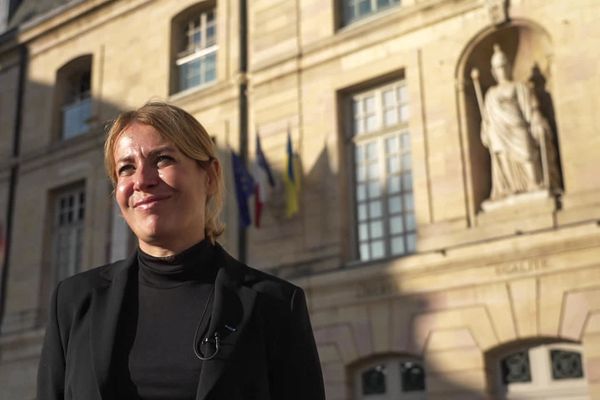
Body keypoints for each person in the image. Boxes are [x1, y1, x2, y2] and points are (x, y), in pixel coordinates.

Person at [36, 101, 325, 400]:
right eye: (126, 168)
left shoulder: (274, 304)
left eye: (162, 160)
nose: (142, 180)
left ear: (210, 176)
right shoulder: (74, 302)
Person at [480, 44, 556, 201]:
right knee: (503, 156)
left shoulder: (519, 86)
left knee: (527, 153)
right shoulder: (490, 94)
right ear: (494, 72)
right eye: (498, 68)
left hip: (517, 126)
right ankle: (512, 187)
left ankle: (535, 183)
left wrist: (537, 122)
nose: (501, 70)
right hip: (498, 132)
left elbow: (531, 107)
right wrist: (486, 129)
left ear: (508, 67)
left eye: (503, 66)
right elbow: (487, 118)